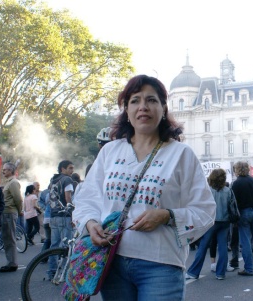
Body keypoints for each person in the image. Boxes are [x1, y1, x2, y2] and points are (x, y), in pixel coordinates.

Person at [72, 74, 216, 300]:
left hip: (162, 266)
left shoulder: (181, 154)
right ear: (126, 111)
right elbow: (87, 199)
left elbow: (205, 210)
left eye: (151, 100)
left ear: (163, 108)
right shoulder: (110, 152)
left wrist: (166, 215)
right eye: (135, 100)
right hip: (111, 261)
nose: (143, 107)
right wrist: (91, 224)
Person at [186, 168, 232, 280]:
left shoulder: (207, 190)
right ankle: (220, 273)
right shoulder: (228, 190)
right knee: (222, 247)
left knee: (203, 246)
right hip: (225, 221)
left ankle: (193, 272)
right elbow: (232, 206)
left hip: (210, 221)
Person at [231, 161, 253, 276]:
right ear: (248, 169)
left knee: (245, 241)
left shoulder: (236, 183)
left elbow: (233, 202)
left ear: (236, 170)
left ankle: (249, 268)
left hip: (243, 212)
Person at [0, 162, 22, 273]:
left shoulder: (13, 182)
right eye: (3, 169)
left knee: (9, 238)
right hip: (7, 212)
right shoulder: (9, 183)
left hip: (9, 212)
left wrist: (20, 210)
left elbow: (18, 199)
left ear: (11, 171)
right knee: (7, 238)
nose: (3, 171)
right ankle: (11, 262)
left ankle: (12, 263)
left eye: (5, 170)